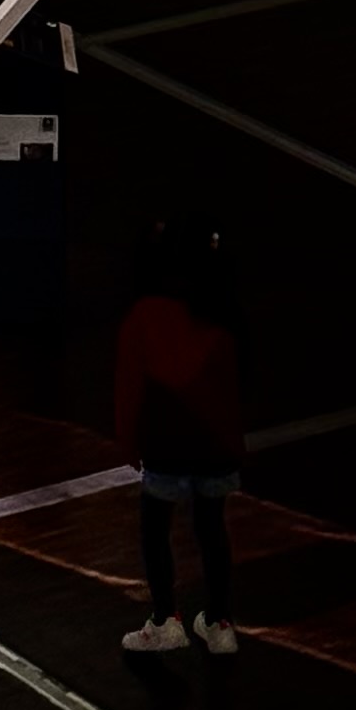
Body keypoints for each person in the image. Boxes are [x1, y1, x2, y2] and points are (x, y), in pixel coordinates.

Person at [115, 220, 244, 658]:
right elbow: (234, 385)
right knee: (212, 530)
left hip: (166, 442)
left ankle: (165, 620)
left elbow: (129, 387)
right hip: (215, 445)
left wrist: (129, 443)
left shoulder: (145, 314)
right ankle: (219, 623)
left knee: (155, 530)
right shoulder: (221, 310)